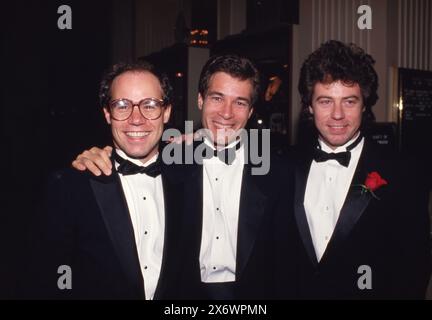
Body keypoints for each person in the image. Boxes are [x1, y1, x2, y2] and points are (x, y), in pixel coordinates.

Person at [72, 54, 295, 299]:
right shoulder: (172, 159)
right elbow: (131, 154)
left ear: (251, 111)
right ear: (200, 100)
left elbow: (286, 262)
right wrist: (96, 155)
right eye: (217, 98)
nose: (226, 113)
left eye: (240, 103)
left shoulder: (278, 172)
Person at [276, 40, 431, 299]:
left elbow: (414, 267)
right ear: (309, 106)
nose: (338, 114)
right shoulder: (285, 165)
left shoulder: (405, 172)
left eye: (349, 101)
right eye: (325, 101)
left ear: (364, 105)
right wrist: (198, 145)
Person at [29, 60, 184, 299]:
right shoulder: (70, 186)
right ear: (107, 114)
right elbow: (46, 280)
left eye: (150, 105)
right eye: (122, 105)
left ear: (167, 112)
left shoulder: (189, 179)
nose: (136, 118)